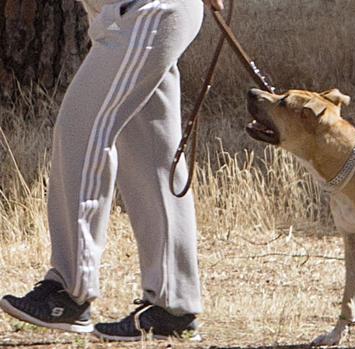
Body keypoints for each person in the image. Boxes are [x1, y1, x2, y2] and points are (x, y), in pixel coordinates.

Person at [0, 0, 223, 341]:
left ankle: (69, 291)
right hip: (124, 17)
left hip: (147, 11)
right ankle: (173, 306)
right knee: (153, 155)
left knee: (81, 130)